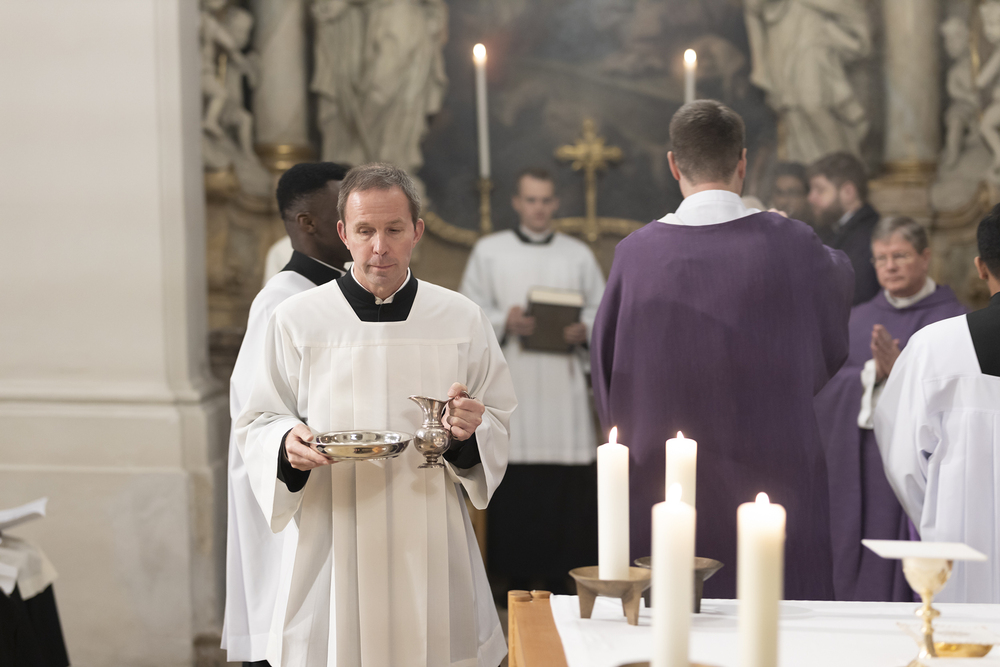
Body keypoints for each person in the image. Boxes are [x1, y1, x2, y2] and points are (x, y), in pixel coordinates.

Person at [235, 163, 515, 666]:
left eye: (394, 230)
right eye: (365, 231)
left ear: (417, 231)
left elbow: (497, 417)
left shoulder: (460, 318)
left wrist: (467, 432)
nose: (379, 247)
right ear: (344, 233)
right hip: (332, 526)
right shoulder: (297, 319)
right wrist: (284, 443)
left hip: (428, 530)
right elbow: (258, 418)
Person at [591, 100, 854, 600]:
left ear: (674, 165)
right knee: (780, 615)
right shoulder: (792, 242)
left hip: (663, 483)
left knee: (673, 616)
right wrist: (788, 233)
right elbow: (834, 299)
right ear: (743, 162)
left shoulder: (635, 254)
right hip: (775, 477)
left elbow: (606, 369)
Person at [223, 162, 351, 666]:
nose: (353, 223)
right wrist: (288, 439)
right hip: (296, 493)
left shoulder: (341, 293)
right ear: (307, 222)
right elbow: (254, 413)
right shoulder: (281, 300)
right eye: (341, 211)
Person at [460, 167, 605, 595]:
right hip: (516, 381)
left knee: (566, 492)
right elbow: (468, 313)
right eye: (530, 200)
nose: (538, 208)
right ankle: (515, 581)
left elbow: (602, 311)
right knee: (518, 486)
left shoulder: (577, 255)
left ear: (555, 203)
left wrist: (584, 329)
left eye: (545, 200)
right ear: (517, 203)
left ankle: (565, 579)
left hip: (563, 389)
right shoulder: (489, 251)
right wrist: (506, 320)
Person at [813, 217, 967, 603]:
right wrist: (873, 375)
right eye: (881, 259)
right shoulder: (858, 318)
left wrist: (903, 374)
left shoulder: (952, 320)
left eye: (900, 256)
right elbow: (825, 386)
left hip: (920, 461)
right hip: (860, 461)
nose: (890, 266)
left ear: (925, 257)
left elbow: (959, 391)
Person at [875, 205, 1000, 604]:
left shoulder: (936, 348)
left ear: (981, 267)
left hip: (965, 550)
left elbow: (904, 464)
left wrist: (940, 520)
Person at [808, 152, 880, 305]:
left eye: (820, 190)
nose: (811, 198)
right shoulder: (830, 229)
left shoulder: (871, 235)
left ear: (848, 192)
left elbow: (854, 293)